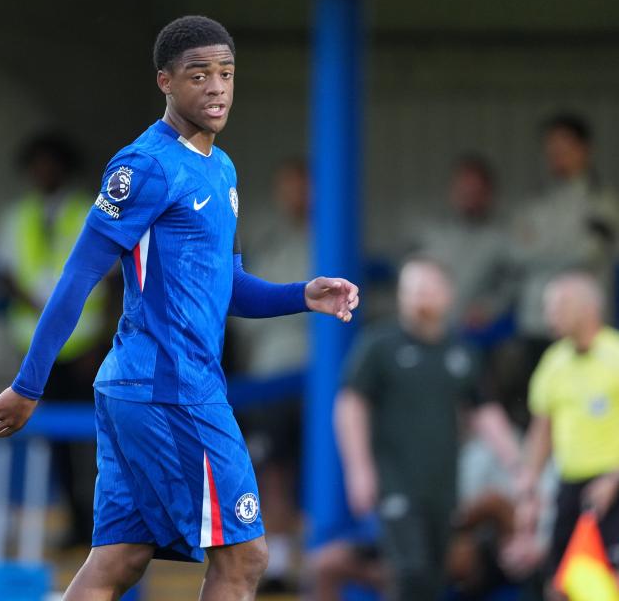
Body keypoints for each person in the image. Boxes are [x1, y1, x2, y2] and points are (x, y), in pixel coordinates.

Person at [0, 15, 359, 601]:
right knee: (245, 554)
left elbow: (225, 286)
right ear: (165, 82)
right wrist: (30, 384)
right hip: (170, 389)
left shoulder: (221, 168)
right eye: (198, 74)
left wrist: (298, 295)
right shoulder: (145, 167)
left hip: (147, 388)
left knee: (120, 560)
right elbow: (78, 278)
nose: (216, 88)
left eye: (226, 74)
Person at [317, 256, 519, 601]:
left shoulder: (462, 351)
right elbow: (350, 405)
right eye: (411, 289)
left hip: (443, 485)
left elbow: (484, 412)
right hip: (395, 481)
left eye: (427, 288)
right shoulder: (379, 345)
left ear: (448, 295)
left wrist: (518, 464)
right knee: (410, 571)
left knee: (433, 575)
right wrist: (358, 468)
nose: (419, 296)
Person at [0, 131, 108, 546]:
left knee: (97, 439)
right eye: (36, 164)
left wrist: (102, 341)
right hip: (36, 348)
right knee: (53, 441)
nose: (43, 171)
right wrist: (39, 309)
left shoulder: (88, 210)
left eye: (50, 162)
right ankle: (74, 523)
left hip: (84, 347)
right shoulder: (17, 216)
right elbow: (2, 271)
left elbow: (112, 280)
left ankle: (103, 525)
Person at [504, 114, 618, 425]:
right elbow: (515, 253)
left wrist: (539, 249)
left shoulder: (603, 202)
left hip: (586, 326)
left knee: (586, 413)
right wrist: (567, 249)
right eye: (551, 148)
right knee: (539, 409)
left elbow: (591, 252)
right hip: (535, 321)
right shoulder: (533, 202)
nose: (556, 155)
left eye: (565, 147)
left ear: (585, 149)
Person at [515, 272, 619, 599]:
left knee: (609, 582)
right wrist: (528, 487)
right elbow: (542, 430)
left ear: (589, 308)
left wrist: (614, 479)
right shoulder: (553, 362)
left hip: (613, 486)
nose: (550, 314)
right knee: (560, 583)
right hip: (570, 486)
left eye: (560, 305)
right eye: (548, 306)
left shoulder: (615, 354)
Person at [233, 157, 311, 593]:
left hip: (312, 376)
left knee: (312, 470)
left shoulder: (333, 236)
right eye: (286, 186)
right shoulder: (270, 242)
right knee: (270, 467)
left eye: (300, 184)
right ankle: (278, 561)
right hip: (267, 376)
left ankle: (314, 556)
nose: (292, 194)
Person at [410, 153, 511, 332]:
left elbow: (512, 285)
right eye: (463, 190)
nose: (468, 196)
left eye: (475, 191)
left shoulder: (500, 239)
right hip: (428, 331)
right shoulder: (432, 233)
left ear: (488, 194)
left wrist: (489, 308)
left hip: (475, 337)